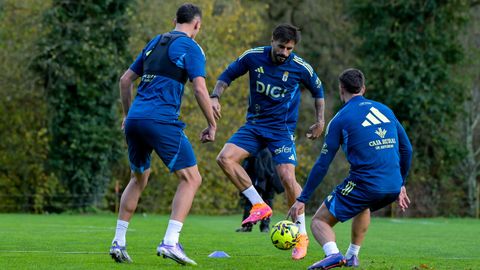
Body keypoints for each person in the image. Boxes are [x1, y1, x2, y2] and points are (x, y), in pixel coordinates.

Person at [109, 3, 216, 266]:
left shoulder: (154, 42)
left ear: (175, 20)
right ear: (197, 25)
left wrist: (127, 115)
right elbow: (200, 90)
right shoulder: (191, 47)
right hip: (161, 119)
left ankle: (118, 242)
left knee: (139, 178)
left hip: (135, 120)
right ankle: (170, 241)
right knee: (191, 178)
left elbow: (125, 80)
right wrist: (211, 124)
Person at [210, 23, 326, 260]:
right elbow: (226, 76)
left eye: (289, 48)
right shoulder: (253, 57)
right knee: (224, 158)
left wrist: (320, 121)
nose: (284, 52)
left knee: (287, 177)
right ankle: (259, 205)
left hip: (281, 131)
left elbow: (318, 91)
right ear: (272, 40)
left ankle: (301, 236)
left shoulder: (299, 67)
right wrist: (215, 96)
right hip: (254, 126)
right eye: (281, 46)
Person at [288, 68, 413, 269]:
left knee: (319, 221)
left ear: (341, 89)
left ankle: (333, 255)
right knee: (362, 205)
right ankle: (353, 256)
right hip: (392, 185)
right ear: (363, 88)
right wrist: (402, 183)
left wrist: (302, 199)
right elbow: (407, 148)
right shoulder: (385, 110)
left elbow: (323, 164)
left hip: (366, 184)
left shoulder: (340, 119)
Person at [236, 148, 284, 233]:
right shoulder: (254, 150)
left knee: (264, 202)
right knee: (252, 202)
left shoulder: (263, 150)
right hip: (257, 179)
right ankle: (250, 226)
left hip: (267, 180)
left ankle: (263, 226)